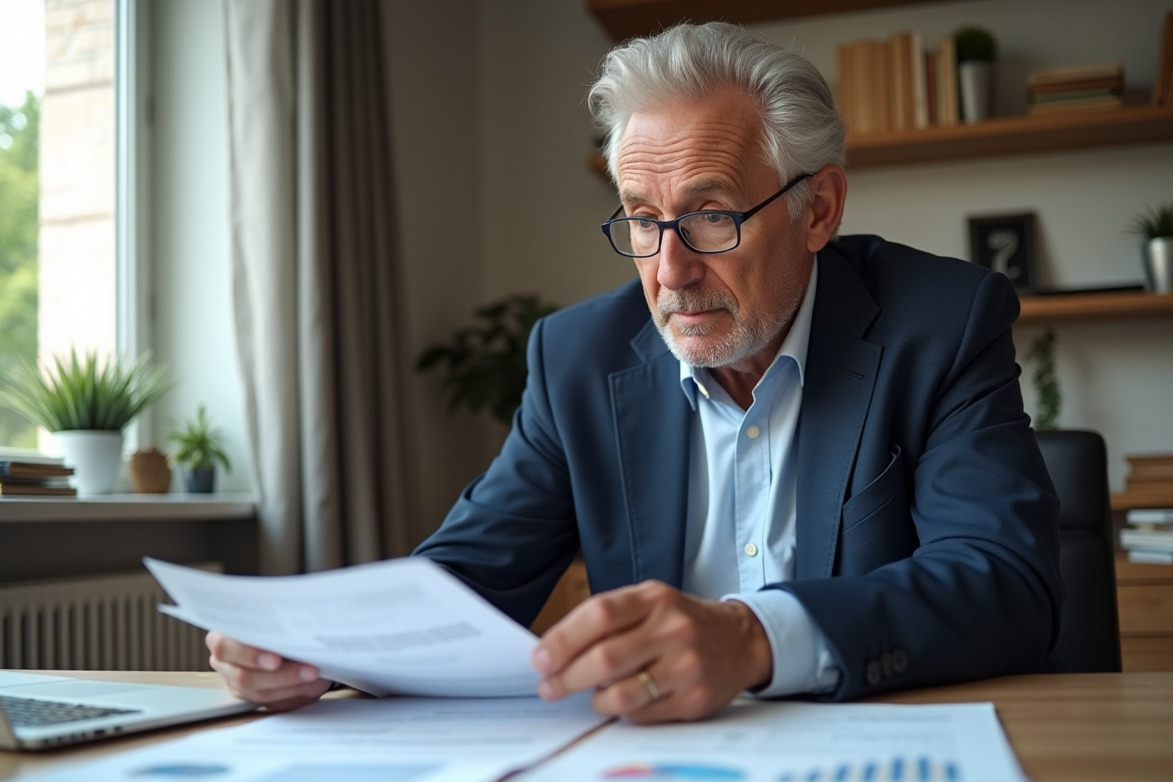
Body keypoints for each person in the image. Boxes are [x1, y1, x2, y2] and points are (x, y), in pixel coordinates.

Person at [207, 22, 1062, 723]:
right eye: (643, 220)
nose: (670, 271)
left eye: (711, 217)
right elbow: (467, 581)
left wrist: (752, 638)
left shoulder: (940, 324)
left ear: (819, 209)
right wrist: (318, 642)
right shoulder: (578, 359)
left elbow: (1005, 583)